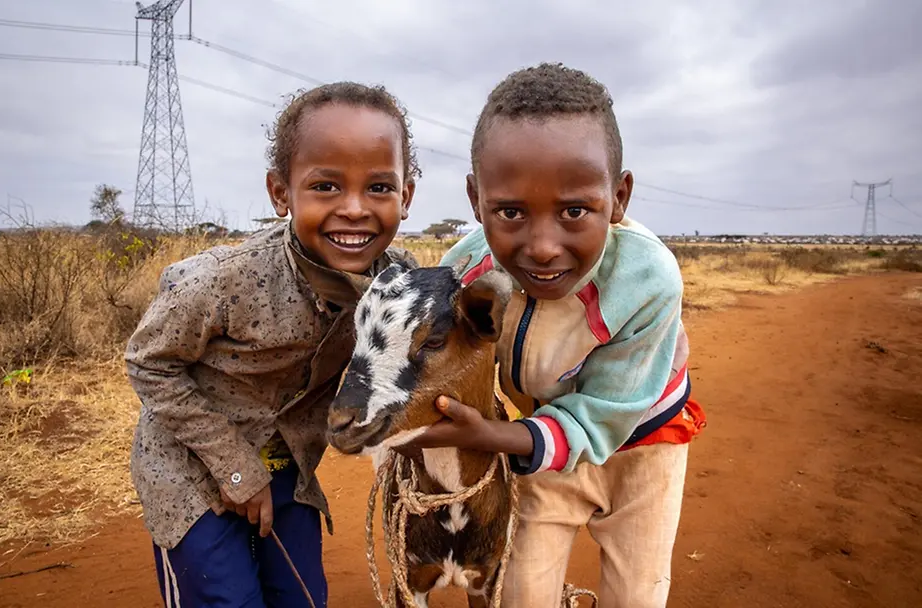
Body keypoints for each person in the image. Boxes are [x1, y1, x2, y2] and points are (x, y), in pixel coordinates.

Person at [407, 63, 707, 608]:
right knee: (519, 590)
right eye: (511, 212)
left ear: (619, 197)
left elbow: (605, 414)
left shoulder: (646, 282)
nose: (542, 246)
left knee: (637, 593)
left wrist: (494, 438)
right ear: (476, 200)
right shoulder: (466, 273)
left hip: (644, 446)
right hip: (542, 440)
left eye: (574, 210)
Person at [125, 81, 421, 608]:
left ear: (407, 195)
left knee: (301, 597)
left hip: (288, 469)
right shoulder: (225, 281)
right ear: (281, 192)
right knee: (227, 600)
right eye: (326, 187)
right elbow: (148, 363)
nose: (354, 209)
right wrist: (235, 468)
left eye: (379, 187)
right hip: (191, 467)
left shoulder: (398, 288)